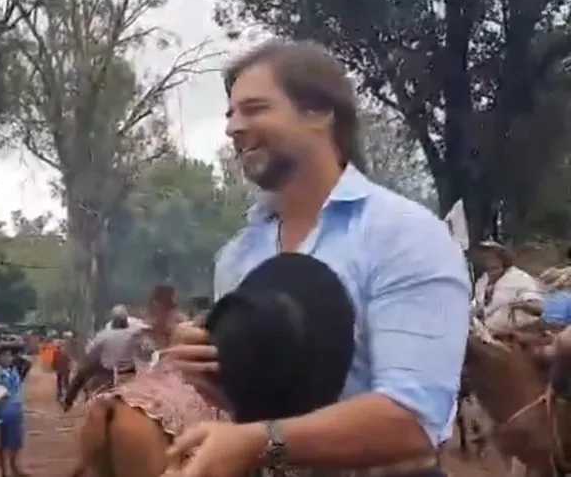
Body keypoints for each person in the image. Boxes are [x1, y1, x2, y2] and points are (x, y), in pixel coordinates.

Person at [163, 40, 469, 477]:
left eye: (254, 108)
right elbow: (258, 408)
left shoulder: (404, 234)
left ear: (321, 113)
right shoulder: (237, 257)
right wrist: (210, 371)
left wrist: (259, 443)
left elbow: (414, 419)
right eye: (230, 114)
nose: (233, 127)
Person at [62, 305, 145, 410]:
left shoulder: (104, 335)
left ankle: (68, 401)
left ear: (114, 320)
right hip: (129, 369)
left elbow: (90, 352)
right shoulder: (135, 330)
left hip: (107, 370)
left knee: (82, 372)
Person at [471, 240, 542, 333]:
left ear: (502, 258)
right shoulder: (483, 281)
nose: (488, 260)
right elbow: (478, 307)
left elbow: (538, 307)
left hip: (514, 334)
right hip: (486, 332)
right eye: (485, 256)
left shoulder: (519, 278)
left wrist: (519, 305)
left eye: (491, 255)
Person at [0, 346, 27, 477]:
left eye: (10, 356)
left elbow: (27, 362)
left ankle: (14, 466)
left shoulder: (14, 370)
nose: (8, 358)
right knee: (5, 444)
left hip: (16, 409)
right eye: (4, 356)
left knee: (17, 442)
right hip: (4, 411)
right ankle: (5, 471)